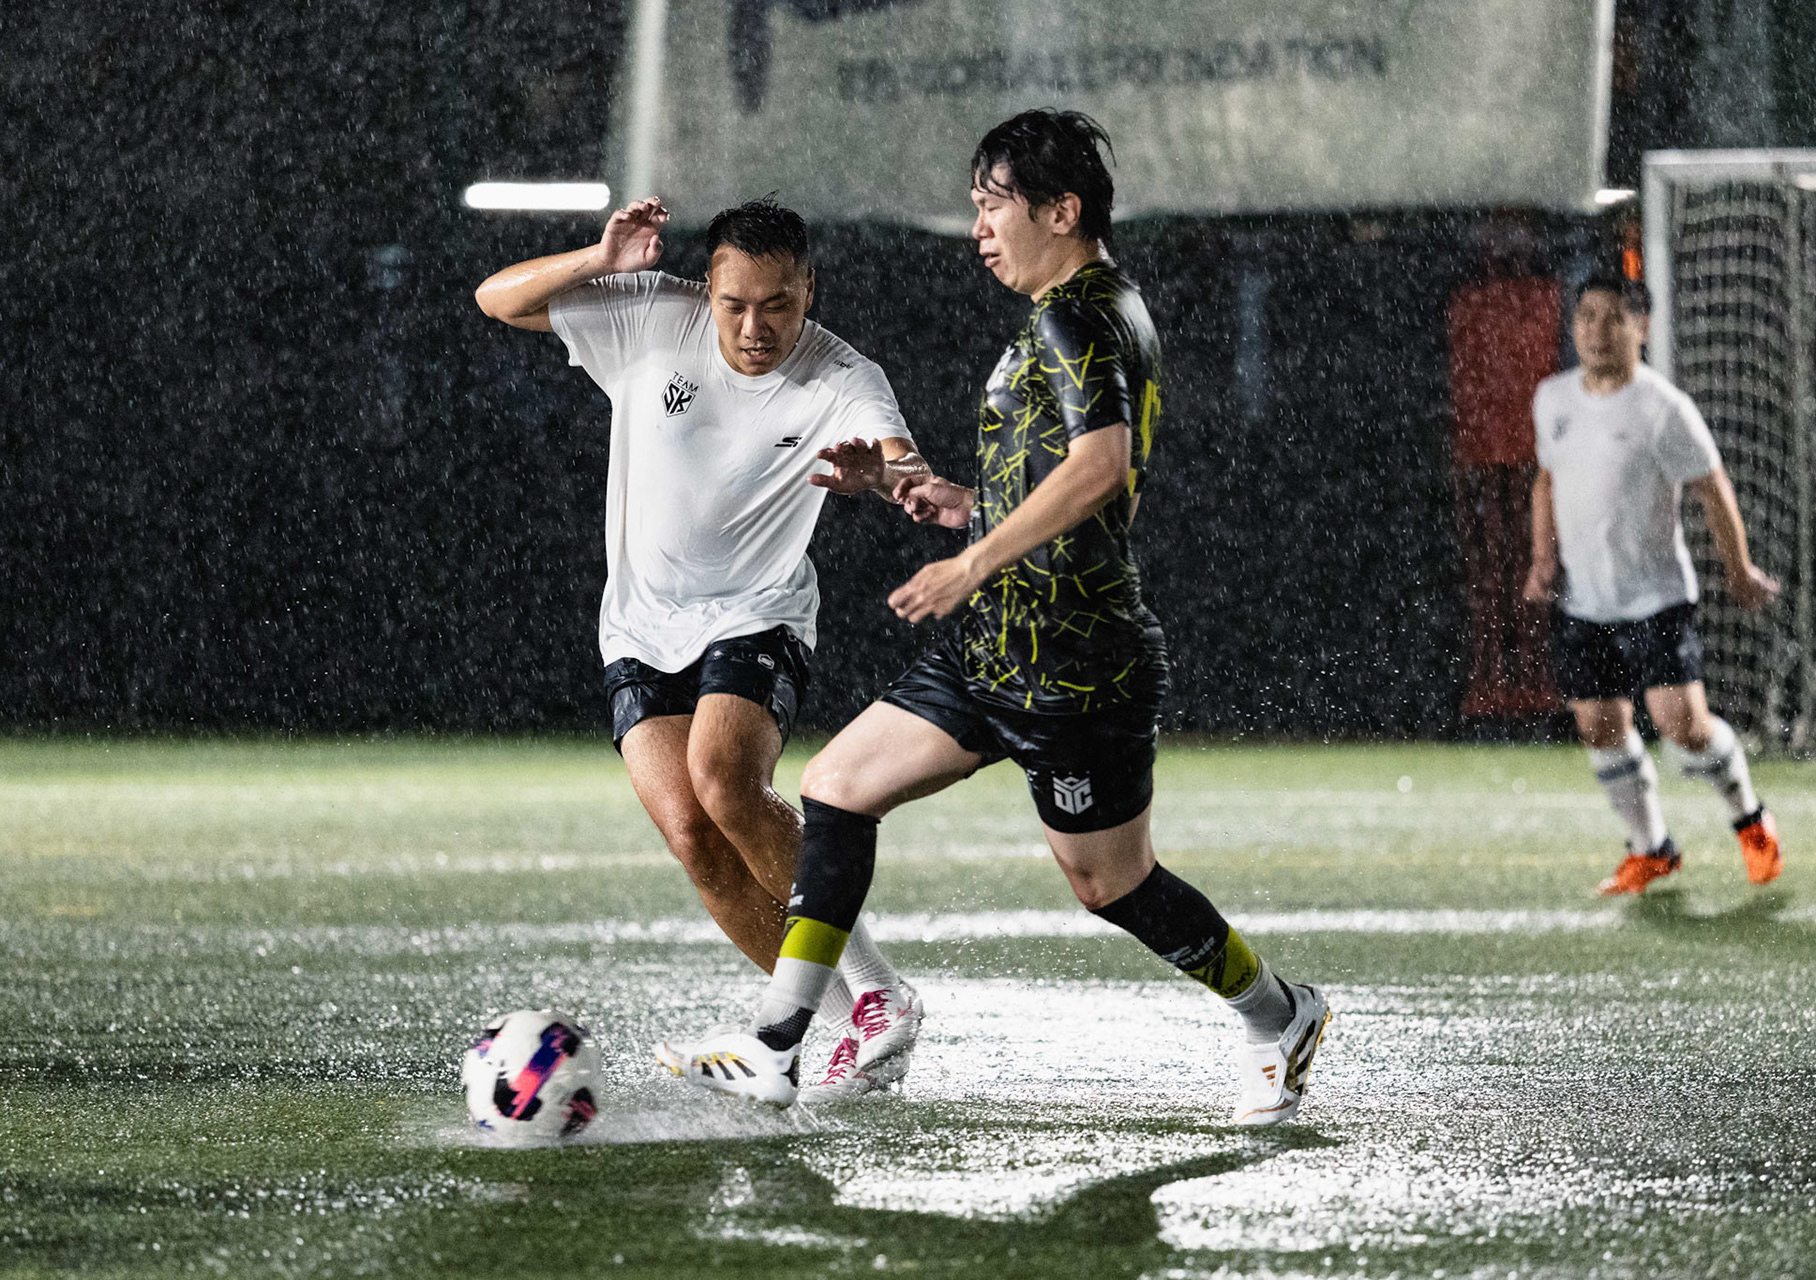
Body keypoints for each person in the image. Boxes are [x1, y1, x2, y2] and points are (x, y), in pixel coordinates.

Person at [655, 110, 1332, 1124]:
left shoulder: (1079, 316)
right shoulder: (1086, 307)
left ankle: (1278, 1012)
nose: (978, 225)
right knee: (837, 787)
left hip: (1074, 659)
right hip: (995, 644)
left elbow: (1103, 471)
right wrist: (946, 499)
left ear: (1061, 210)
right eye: (975, 204)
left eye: (993, 203)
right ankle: (779, 1039)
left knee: (1112, 885)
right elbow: (1064, 475)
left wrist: (970, 559)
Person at [474, 197, 928, 1097]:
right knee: (694, 836)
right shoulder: (653, 314)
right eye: (736, 304)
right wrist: (599, 258)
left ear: (809, 291)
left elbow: (905, 463)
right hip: (639, 626)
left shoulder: (843, 373)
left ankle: (880, 993)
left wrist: (891, 476)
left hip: (756, 614)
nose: (756, 328)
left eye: (779, 305)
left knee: (727, 782)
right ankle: (840, 1031)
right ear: (706, 288)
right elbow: (498, 299)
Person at [1523, 269, 1784, 896]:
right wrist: (1541, 560)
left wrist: (1738, 568)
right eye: (1586, 316)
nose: (1597, 330)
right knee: (1598, 726)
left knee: (1681, 725)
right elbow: (1547, 481)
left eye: (1613, 317)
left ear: (1641, 327)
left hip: (1655, 599)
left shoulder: (1664, 408)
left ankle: (1750, 819)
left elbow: (1712, 488)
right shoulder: (1553, 399)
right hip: (1584, 602)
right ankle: (1652, 848)